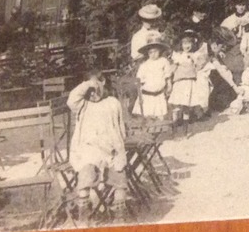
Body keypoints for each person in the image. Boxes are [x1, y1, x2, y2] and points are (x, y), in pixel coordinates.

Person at [65, 71, 128, 208]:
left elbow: (120, 126)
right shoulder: (83, 104)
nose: (93, 94)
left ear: (103, 82)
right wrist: (89, 84)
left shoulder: (113, 102)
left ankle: (120, 212)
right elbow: (71, 99)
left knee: (118, 173)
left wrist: (120, 145)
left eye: (95, 90)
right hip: (89, 149)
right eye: (89, 92)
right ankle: (84, 211)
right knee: (86, 171)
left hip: (110, 148)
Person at [134, 35, 172, 120]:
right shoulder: (144, 65)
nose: (153, 54)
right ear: (147, 53)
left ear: (160, 51)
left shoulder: (164, 61)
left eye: (155, 51)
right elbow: (139, 79)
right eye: (150, 52)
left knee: (160, 115)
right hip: (147, 94)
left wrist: (169, 84)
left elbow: (167, 75)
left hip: (159, 93)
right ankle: (151, 130)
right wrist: (139, 91)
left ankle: (160, 130)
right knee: (149, 114)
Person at [168, 31, 203, 124]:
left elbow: (199, 66)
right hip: (179, 82)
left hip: (190, 82)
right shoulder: (178, 55)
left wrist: (195, 60)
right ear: (181, 44)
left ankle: (185, 128)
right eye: (184, 43)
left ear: (193, 43)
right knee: (177, 105)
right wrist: (167, 77)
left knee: (186, 105)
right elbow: (173, 67)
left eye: (189, 43)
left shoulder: (195, 55)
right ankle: (175, 125)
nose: (187, 46)